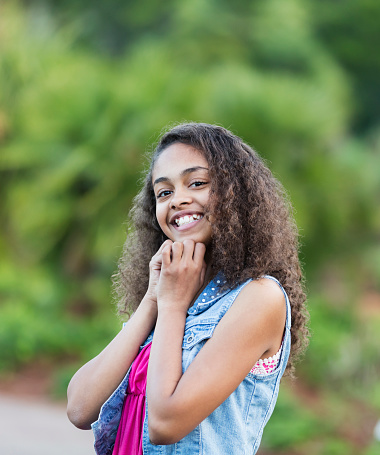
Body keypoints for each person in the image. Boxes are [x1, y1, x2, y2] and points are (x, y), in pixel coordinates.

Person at [67, 123, 309, 454]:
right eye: (164, 192)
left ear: (235, 192)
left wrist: (172, 306)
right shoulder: (172, 294)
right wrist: (154, 299)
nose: (178, 200)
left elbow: (165, 424)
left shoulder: (259, 297)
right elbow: (80, 408)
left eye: (196, 183)